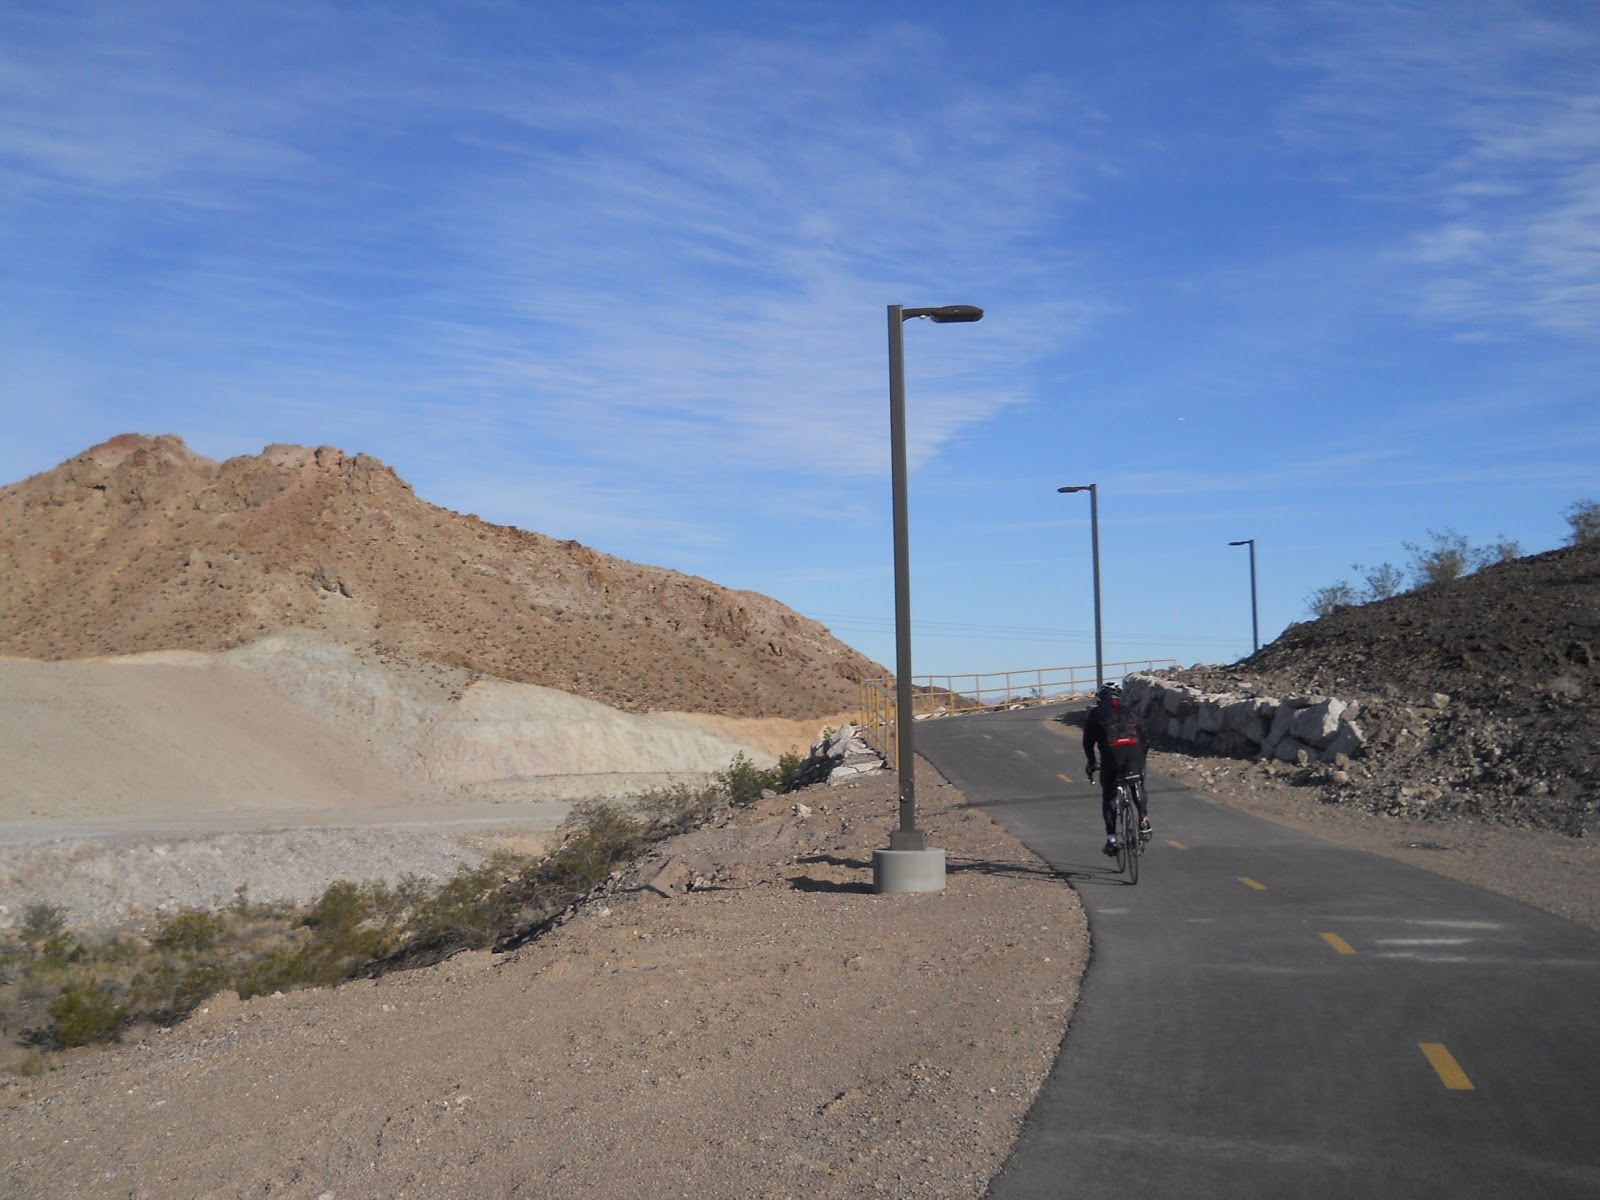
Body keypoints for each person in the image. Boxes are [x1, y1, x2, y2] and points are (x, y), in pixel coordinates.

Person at [1082, 681, 1151, 857]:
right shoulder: (1130, 710)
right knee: (1138, 784)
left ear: (1100, 698)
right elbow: (1145, 738)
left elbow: (1088, 743)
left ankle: (1112, 840)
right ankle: (1143, 818)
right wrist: (1141, 761)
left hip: (1113, 754)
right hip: (1135, 752)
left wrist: (1091, 763)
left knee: (1109, 795)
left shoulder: (1096, 713)